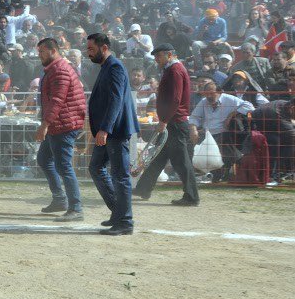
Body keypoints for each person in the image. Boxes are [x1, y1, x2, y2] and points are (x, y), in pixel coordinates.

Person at [85, 33, 139, 236]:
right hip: (106, 131)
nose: (88, 52)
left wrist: (105, 129)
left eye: (91, 49)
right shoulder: (107, 67)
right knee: (96, 168)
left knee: (120, 176)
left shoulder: (115, 67)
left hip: (115, 131)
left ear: (104, 47)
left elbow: (116, 100)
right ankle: (118, 212)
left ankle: (125, 221)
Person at [132, 44, 199, 205]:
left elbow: (175, 99)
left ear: (169, 55)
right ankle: (143, 189)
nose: (156, 59)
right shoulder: (173, 69)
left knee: (181, 161)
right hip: (172, 121)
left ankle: (191, 196)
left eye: (159, 56)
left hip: (174, 122)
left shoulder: (175, 70)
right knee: (158, 157)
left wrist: (164, 120)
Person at [35, 38, 87, 221]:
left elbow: (57, 100)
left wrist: (44, 125)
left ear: (53, 50)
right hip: (59, 123)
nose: (39, 55)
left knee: (64, 166)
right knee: (44, 159)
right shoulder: (56, 69)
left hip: (63, 124)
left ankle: (76, 208)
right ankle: (60, 199)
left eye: (41, 51)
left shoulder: (60, 70)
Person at [188, 80, 255, 182]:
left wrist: (232, 114)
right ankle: (205, 173)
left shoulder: (229, 99)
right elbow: (194, 117)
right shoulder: (203, 102)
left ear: (219, 92)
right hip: (208, 134)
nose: (209, 96)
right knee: (189, 144)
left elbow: (249, 106)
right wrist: (193, 129)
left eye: (212, 93)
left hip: (225, 132)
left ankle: (239, 169)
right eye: (207, 94)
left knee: (224, 143)